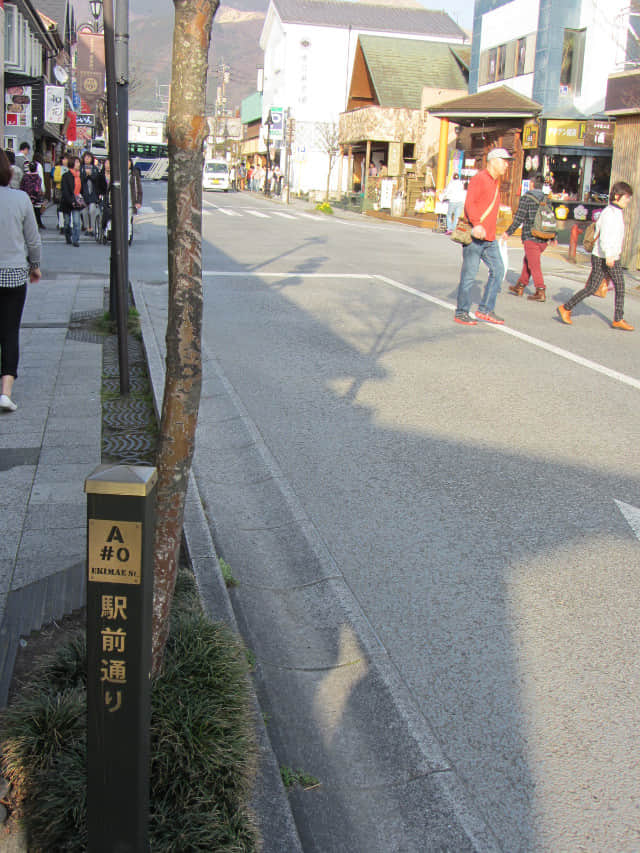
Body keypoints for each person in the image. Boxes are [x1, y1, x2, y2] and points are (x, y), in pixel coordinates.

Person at [557, 181, 634, 331]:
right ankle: (617, 318)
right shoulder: (609, 213)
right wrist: (610, 256)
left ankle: (567, 307)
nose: (628, 200)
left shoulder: (616, 212)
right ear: (617, 196)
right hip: (605, 256)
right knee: (608, 286)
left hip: (607, 255)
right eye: (626, 197)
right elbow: (605, 237)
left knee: (599, 287)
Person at [0, 149, 42, 412]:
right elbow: (33, 239)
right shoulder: (20, 198)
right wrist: (35, 266)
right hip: (14, 273)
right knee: (10, 331)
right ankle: (5, 392)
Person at [454, 147, 511, 326]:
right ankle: (461, 311)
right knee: (469, 275)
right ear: (493, 161)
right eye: (504, 161)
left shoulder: (495, 182)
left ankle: (485, 308)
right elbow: (470, 203)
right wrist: (477, 223)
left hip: (490, 238)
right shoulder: (480, 179)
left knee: (499, 270)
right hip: (475, 236)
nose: (506, 165)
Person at [505, 174, 552, 302]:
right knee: (529, 261)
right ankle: (520, 285)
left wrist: (508, 232)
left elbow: (519, 218)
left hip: (531, 236)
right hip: (544, 236)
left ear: (531, 184)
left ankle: (540, 290)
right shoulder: (546, 198)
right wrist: (554, 236)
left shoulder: (526, 198)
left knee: (534, 264)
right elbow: (551, 218)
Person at [60, 156, 83, 247]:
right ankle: (68, 236)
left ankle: (76, 239)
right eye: (77, 162)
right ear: (72, 163)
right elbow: (65, 190)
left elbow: (82, 189)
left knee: (77, 222)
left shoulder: (80, 175)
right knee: (67, 222)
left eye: (79, 162)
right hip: (67, 201)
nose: (78, 164)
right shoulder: (66, 176)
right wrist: (70, 201)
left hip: (77, 201)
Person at [20, 161, 46, 229]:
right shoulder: (38, 178)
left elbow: (22, 187)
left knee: (28, 212)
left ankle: (29, 224)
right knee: (37, 212)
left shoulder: (25, 177)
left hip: (27, 196)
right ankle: (38, 223)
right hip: (36, 197)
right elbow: (39, 187)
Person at [81, 153, 100, 236]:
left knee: (92, 210)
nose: (87, 159)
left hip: (93, 193)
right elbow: (80, 180)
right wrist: (86, 174)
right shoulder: (81, 168)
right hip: (83, 194)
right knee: (84, 211)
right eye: (86, 157)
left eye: (89, 157)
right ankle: (86, 228)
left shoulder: (95, 168)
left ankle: (92, 227)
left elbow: (97, 179)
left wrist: (90, 174)